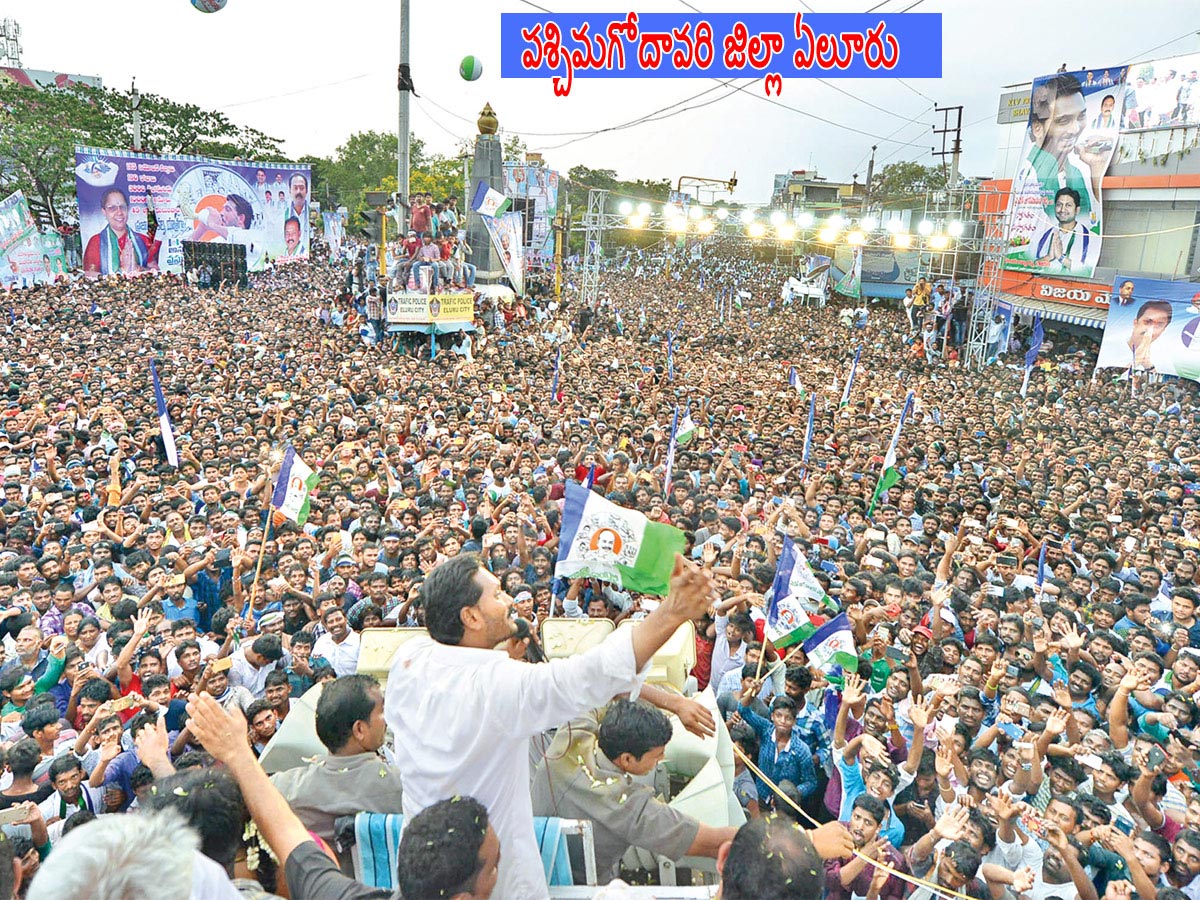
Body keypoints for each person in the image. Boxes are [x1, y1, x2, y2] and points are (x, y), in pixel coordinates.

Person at [384, 552, 717, 899]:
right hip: (493, 882)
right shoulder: (497, 685)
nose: (509, 600)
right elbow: (590, 676)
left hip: (422, 875)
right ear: (471, 616)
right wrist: (672, 611)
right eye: (497, 595)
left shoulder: (409, 659)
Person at [183, 691, 498, 900]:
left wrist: (238, 753)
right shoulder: (399, 786)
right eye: (495, 867)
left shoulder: (336, 892)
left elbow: (287, 833)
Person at [531, 698, 734, 879]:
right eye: (657, 756)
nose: (662, 759)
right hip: (581, 887)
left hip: (528, 862)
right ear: (626, 759)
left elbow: (609, 684)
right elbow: (711, 842)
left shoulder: (573, 734)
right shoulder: (627, 806)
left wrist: (674, 703)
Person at [269, 674, 404, 848]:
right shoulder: (401, 785)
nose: (387, 719)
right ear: (359, 729)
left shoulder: (284, 788)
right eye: (382, 711)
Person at [82, 189, 159, 277]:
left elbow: (156, 270)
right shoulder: (96, 242)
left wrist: (138, 268)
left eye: (122, 207)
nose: (119, 212)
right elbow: (89, 275)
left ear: (128, 209)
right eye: (112, 208)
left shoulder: (143, 239)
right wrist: (122, 271)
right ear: (104, 212)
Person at [1034, 187, 1095, 272]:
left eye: (1068, 205)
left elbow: (1088, 270)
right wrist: (1048, 257)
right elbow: (1031, 265)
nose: (1062, 210)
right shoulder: (1042, 235)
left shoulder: (1092, 238)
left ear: (1077, 210)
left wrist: (1061, 258)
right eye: (1059, 205)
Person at [1126, 299, 1173, 373]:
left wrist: (1147, 365)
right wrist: (1137, 359)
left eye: (1159, 325)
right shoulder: (1110, 346)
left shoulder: (1165, 361)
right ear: (1135, 323)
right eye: (1147, 322)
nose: (1151, 330)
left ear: (1163, 330)